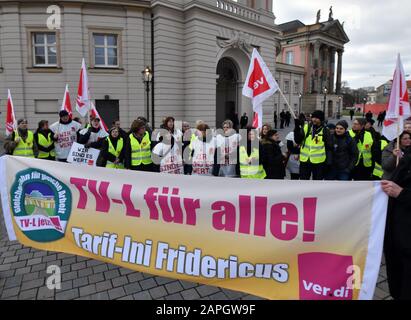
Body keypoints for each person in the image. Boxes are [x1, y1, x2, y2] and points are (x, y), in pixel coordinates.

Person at [381, 148, 411, 299]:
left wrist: (402, 193)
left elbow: (401, 190)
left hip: (406, 240)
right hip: (395, 237)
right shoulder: (408, 154)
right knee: (397, 285)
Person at [294, 110, 329, 180]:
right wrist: (297, 128)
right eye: (313, 117)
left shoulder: (325, 130)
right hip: (305, 160)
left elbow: (328, 146)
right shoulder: (306, 127)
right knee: (303, 181)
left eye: (317, 118)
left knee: (317, 182)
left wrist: (327, 162)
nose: (314, 119)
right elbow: (298, 140)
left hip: (319, 161)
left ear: (321, 119)